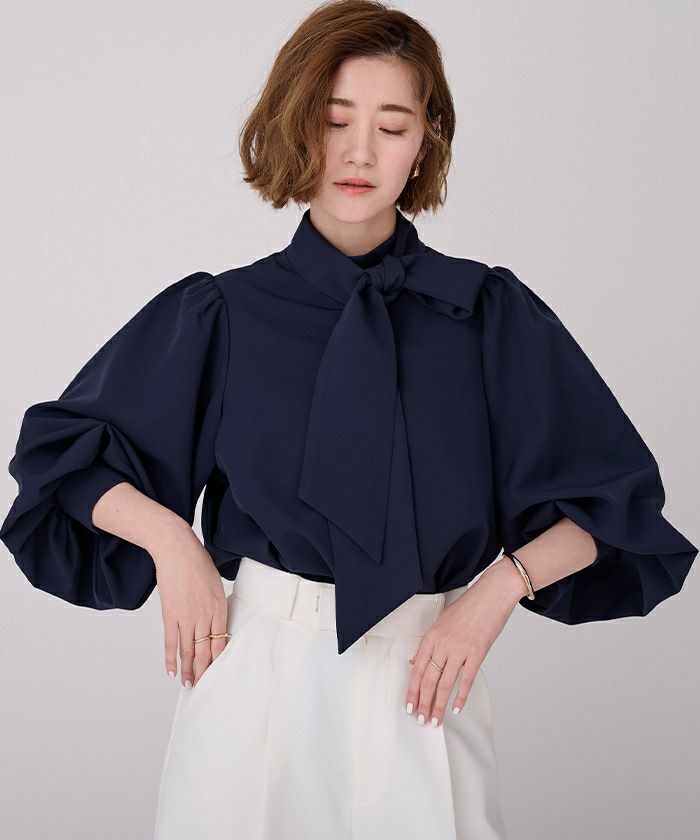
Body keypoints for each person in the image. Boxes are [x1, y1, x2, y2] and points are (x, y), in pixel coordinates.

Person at [1, 1, 696, 838]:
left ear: (426, 142)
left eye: (392, 126)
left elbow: (617, 506)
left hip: (427, 684)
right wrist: (172, 541)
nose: (360, 152)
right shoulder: (224, 313)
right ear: (295, 124)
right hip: (256, 685)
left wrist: (495, 593)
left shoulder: (488, 317)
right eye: (335, 121)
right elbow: (64, 460)